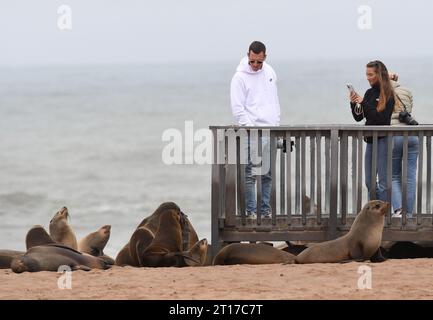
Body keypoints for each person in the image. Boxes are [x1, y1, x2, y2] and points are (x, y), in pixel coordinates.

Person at [230, 41, 280, 218]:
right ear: (248, 56)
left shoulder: (270, 72)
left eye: (259, 61)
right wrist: (251, 127)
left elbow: (274, 100)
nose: (255, 65)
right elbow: (237, 108)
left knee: (267, 175)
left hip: (271, 130)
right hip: (252, 132)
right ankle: (251, 211)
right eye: (252, 61)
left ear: (264, 57)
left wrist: (276, 125)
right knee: (250, 174)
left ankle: (265, 211)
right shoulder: (239, 77)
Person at [349, 60, 395, 202]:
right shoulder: (369, 93)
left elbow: (380, 119)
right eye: (366, 74)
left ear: (379, 75)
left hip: (383, 139)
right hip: (370, 141)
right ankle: (374, 213)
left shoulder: (388, 94)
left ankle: (384, 217)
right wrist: (353, 103)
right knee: (369, 183)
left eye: (370, 74)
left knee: (383, 183)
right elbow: (359, 117)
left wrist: (363, 103)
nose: (367, 77)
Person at [389, 73, 419, 217]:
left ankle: (399, 210)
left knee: (393, 175)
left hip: (395, 135)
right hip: (412, 134)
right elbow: (410, 108)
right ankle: (409, 214)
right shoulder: (406, 90)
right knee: (410, 177)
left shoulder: (383, 92)